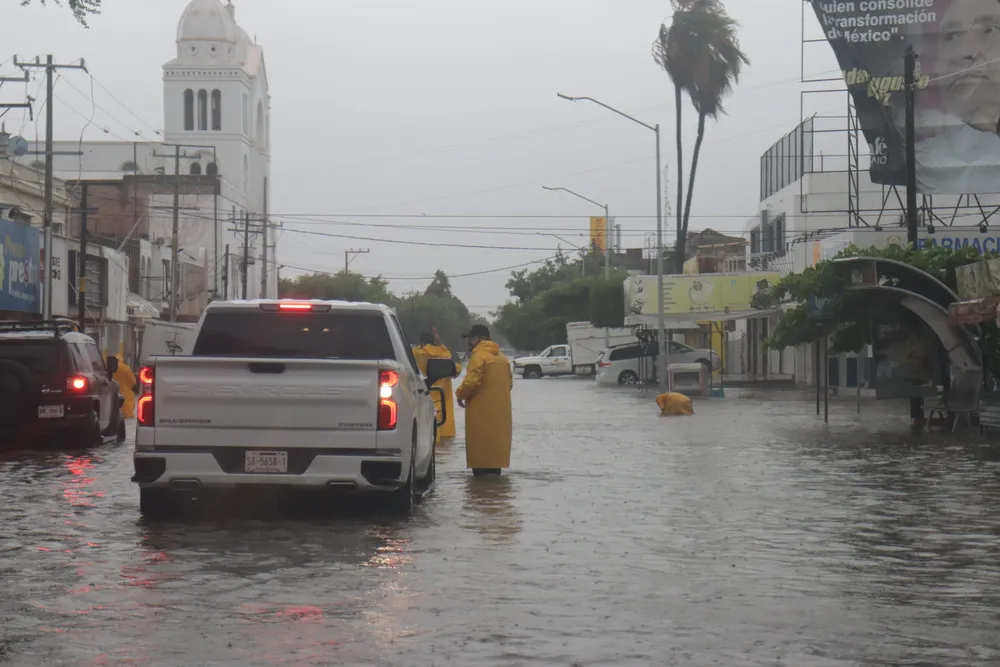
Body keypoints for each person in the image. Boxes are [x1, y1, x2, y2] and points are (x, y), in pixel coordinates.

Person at [455, 324, 512, 476]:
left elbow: (471, 382)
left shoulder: (478, 357)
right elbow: (509, 384)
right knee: (494, 465)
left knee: (480, 465)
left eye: (472, 338)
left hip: (480, 417)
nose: (469, 342)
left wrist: (460, 394)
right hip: (501, 418)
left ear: (482, 339)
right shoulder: (503, 359)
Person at [413, 327, 462, 440]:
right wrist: (440, 345)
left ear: (421, 343)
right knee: (443, 435)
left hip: (424, 397)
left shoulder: (417, 353)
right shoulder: (444, 355)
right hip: (442, 400)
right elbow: (456, 370)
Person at [114, 353, 138, 419]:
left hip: (114, 394)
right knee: (127, 416)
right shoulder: (126, 368)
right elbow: (133, 381)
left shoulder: (110, 368)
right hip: (126, 394)